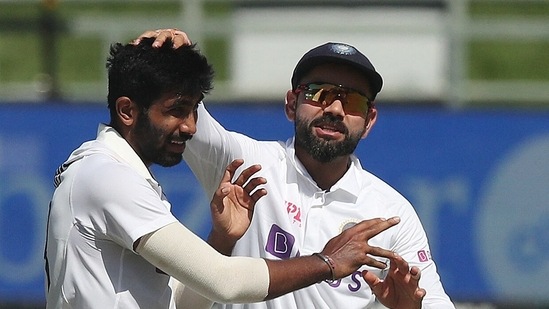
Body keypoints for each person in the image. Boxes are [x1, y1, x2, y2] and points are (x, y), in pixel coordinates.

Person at [43, 37, 406, 309]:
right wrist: (327, 263)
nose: (189, 128)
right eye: (176, 110)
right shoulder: (108, 177)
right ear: (127, 111)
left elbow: (183, 305)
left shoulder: (121, 174)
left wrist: (222, 239)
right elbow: (224, 281)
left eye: (193, 112)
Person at [136, 30, 456, 309]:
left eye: (353, 102)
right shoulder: (245, 161)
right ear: (291, 104)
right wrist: (168, 56)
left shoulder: (390, 212)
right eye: (319, 93)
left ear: (369, 120)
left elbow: (433, 301)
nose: (334, 109)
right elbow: (177, 107)